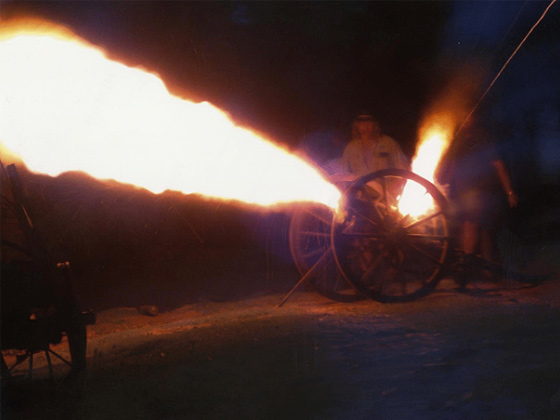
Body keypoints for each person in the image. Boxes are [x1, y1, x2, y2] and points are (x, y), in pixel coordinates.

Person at [446, 118, 518, 283]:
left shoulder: (483, 138)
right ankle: (480, 270)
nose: (465, 120)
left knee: (475, 226)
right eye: (463, 117)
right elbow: (453, 165)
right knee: (475, 228)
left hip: (481, 190)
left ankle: (472, 269)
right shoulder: (458, 140)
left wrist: (509, 192)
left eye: (469, 117)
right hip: (463, 191)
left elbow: (498, 165)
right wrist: (445, 185)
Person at [340, 112, 409, 177]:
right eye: (361, 124)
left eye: (369, 123)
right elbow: (344, 174)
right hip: (360, 186)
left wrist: (398, 183)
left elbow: (403, 168)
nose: (365, 127)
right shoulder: (351, 148)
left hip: (387, 186)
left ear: (375, 125)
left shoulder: (389, 143)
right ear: (356, 126)